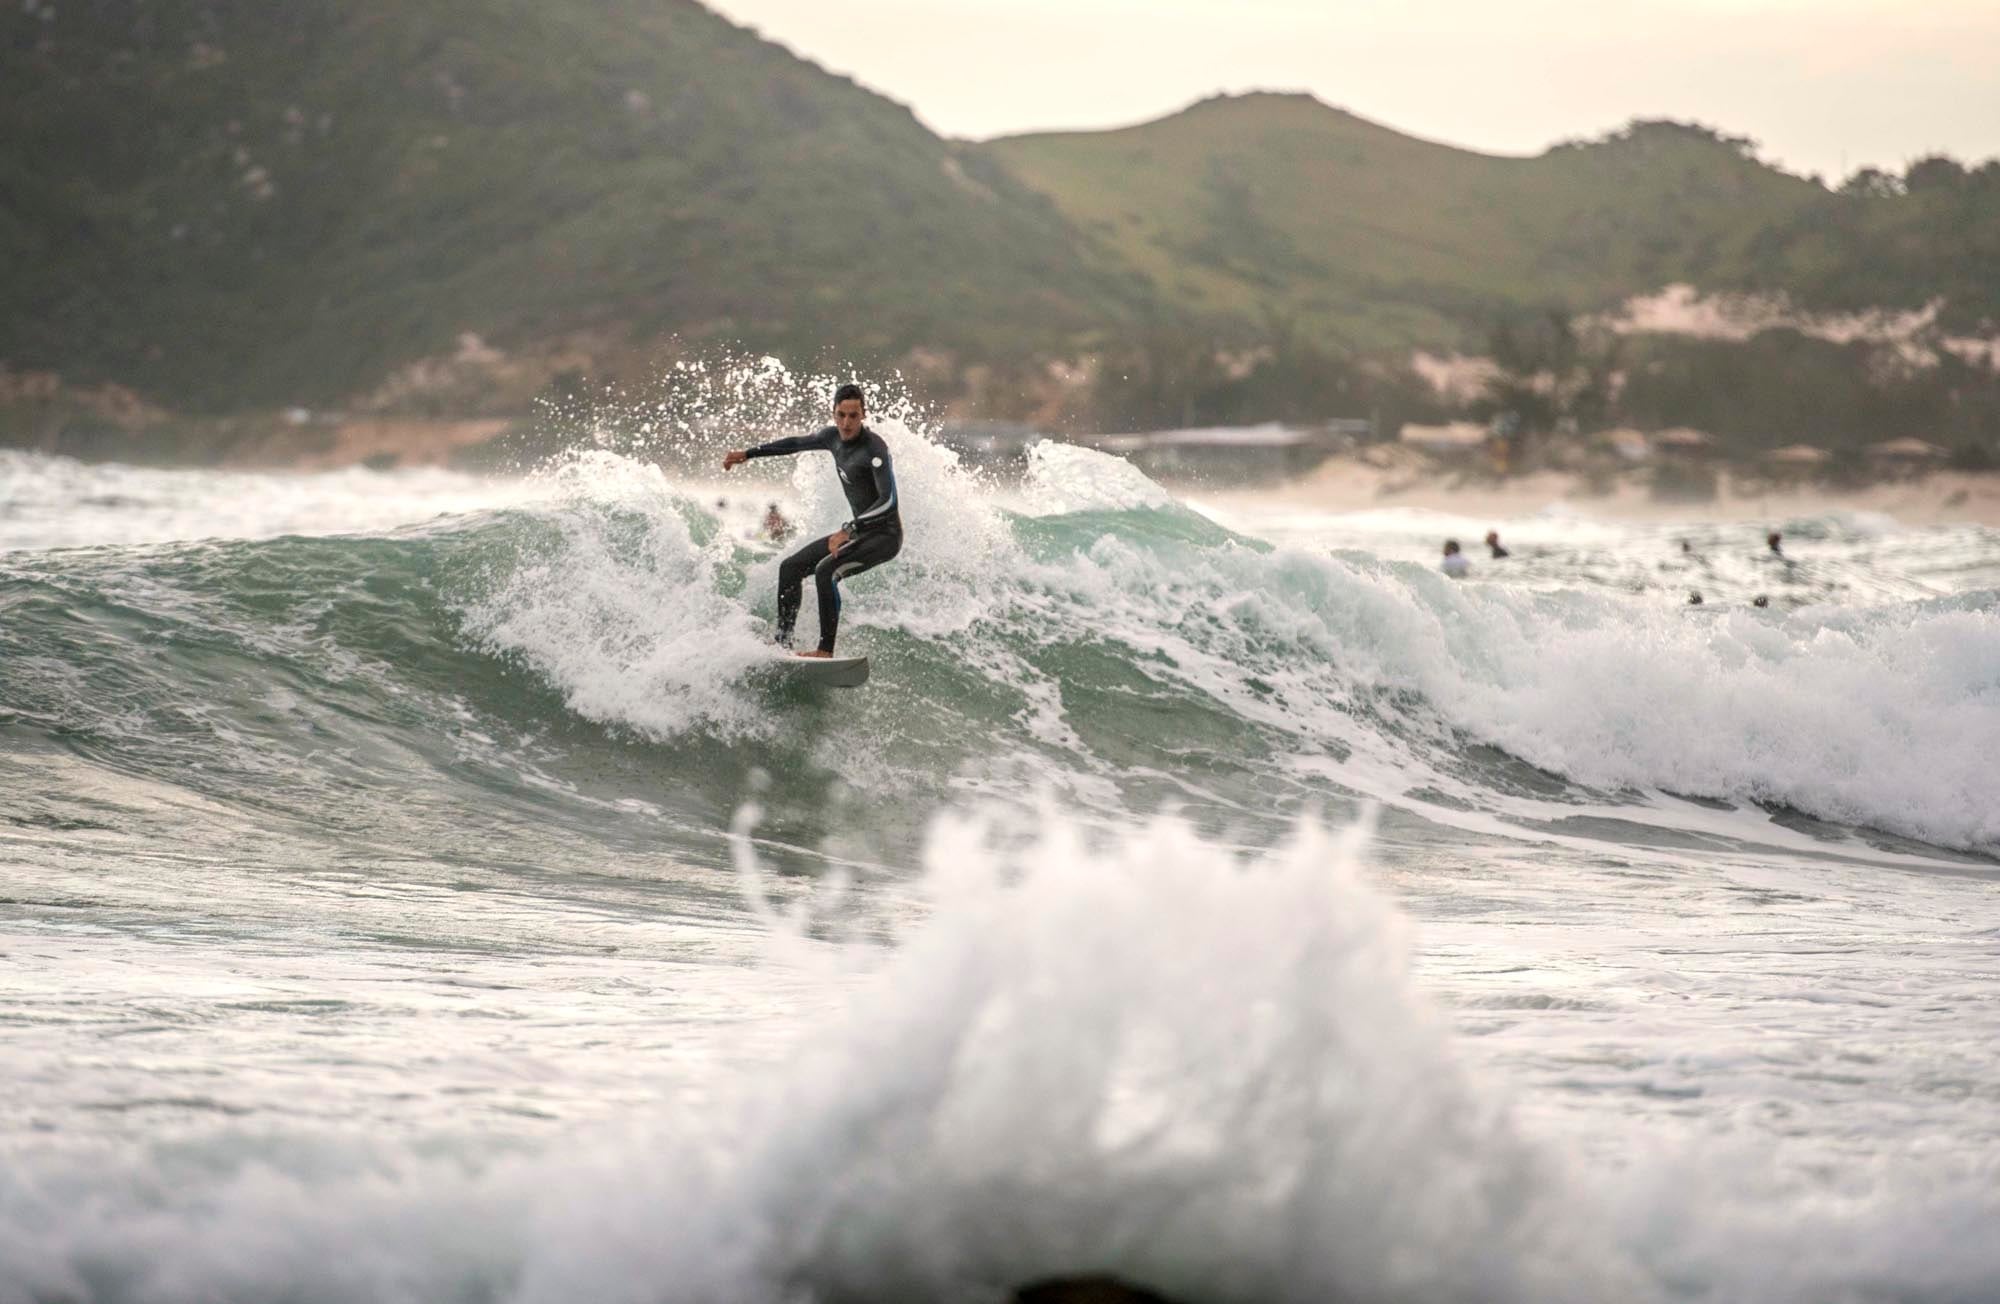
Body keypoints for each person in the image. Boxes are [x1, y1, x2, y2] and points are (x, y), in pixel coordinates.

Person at [722, 383, 900, 657]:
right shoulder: (832, 438)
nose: (846, 422)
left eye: (853, 416)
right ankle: (783, 642)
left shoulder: (874, 449)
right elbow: (794, 444)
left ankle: (824, 650)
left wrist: (849, 528)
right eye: (841, 415)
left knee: (825, 571)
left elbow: (888, 502)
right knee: (790, 568)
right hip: (859, 533)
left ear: (864, 414)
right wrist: (749, 453)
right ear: (833, 414)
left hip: (884, 536)